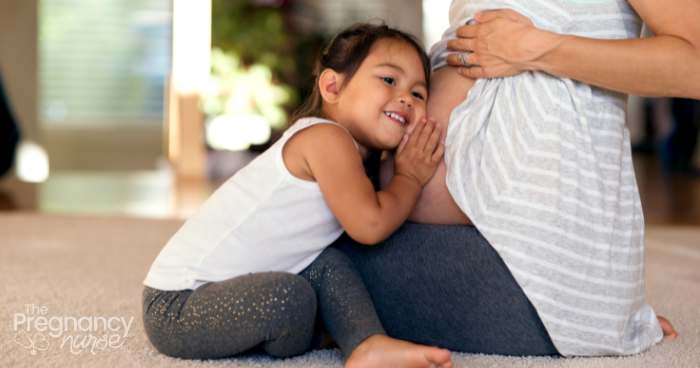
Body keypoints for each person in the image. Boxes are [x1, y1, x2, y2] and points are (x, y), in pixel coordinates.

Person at [335, 0, 686, 358]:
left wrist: (535, 48)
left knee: (316, 262)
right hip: (481, 252)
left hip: (525, 276)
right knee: (307, 241)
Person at [142, 23, 452, 368]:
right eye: (389, 80)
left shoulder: (353, 155)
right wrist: (409, 176)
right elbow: (371, 225)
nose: (406, 98)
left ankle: (367, 343)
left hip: (230, 290)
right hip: (177, 306)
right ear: (332, 87)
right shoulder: (326, 140)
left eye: (419, 94)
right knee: (290, 298)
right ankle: (323, 332)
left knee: (327, 264)